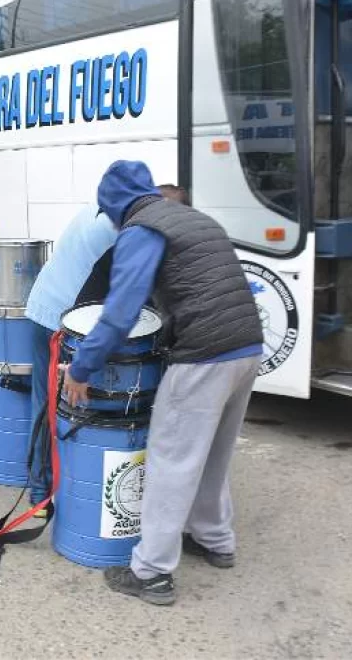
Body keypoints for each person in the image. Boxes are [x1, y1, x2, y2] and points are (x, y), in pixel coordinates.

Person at [62, 160, 263, 606]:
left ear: (115, 203)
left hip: (204, 355)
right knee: (212, 453)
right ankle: (216, 540)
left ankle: (150, 573)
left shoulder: (141, 228)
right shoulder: (194, 217)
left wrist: (81, 368)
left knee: (171, 459)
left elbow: (122, 309)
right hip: (247, 346)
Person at [24, 202, 118, 511]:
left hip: (41, 306)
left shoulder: (93, 209)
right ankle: (43, 493)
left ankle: (43, 489)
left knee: (43, 402)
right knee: (58, 408)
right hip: (62, 321)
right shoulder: (120, 229)